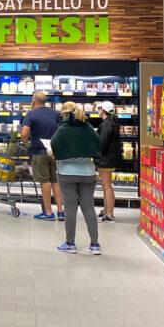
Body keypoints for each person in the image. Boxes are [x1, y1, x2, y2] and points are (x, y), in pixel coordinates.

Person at [50, 101, 102, 255]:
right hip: (88, 172)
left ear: (65, 114)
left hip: (67, 173)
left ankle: (70, 244)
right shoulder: (88, 127)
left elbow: (53, 145)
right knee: (89, 208)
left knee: (70, 209)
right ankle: (95, 244)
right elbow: (98, 143)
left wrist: (53, 153)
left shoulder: (64, 129)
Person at [20, 91, 62, 221]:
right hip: (54, 152)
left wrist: (25, 141)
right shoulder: (55, 113)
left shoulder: (31, 114)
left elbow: (24, 133)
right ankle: (61, 211)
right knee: (56, 181)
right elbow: (60, 129)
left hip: (39, 151)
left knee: (44, 181)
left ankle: (48, 212)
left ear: (33, 101)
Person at [95, 101, 123, 222]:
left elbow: (103, 143)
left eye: (99, 108)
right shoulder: (111, 123)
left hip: (106, 159)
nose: (98, 110)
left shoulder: (107, 125)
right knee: (105, 186)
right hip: (108, 158)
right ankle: (106, 209)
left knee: (107, 186)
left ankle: (110, 213)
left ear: (102, 109)